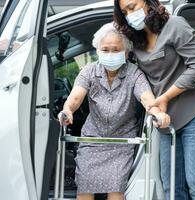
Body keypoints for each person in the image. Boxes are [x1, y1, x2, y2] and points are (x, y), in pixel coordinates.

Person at [113, 0, 195, 199]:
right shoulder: (135, 42)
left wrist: (164, 97)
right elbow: (134, 77)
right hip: (166, 120)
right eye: (125, 12)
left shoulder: (175, 25)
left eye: (132, 7)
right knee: (171, 187)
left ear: (148, 3)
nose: (130, 15)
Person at [58, 23, 170, 200]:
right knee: (85, 189)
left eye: (116, 49)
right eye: (105, 49)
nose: (110, 54)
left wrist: (157, 113)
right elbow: (75, 98)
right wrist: (68, 110)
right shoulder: (89, 71)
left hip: (121, 141)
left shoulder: (134, 73)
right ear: (98, 51)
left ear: (126, 52)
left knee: (116, 191)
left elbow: (146, 98)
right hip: (92, 140)